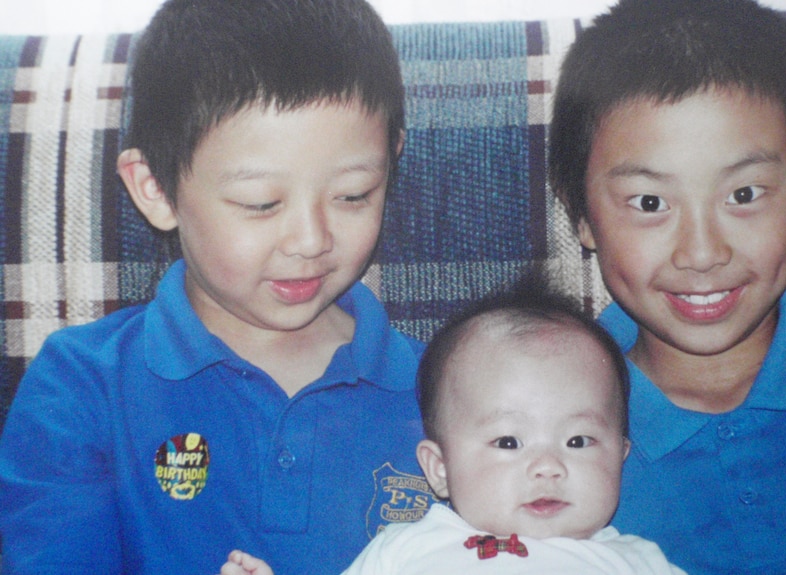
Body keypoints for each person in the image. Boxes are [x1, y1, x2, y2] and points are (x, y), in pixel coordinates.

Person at [0, 1, 437, 573]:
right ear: (155, 189)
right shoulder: (83, 385)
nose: (310, 239)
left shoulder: (452, 390)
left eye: (353, 194)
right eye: (260, 204)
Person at [548, 0, 786, 573]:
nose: (701, 253)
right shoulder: (530, 445)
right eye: (649, 203)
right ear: (582, 217)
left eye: (744, 195)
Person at [221, 281, 686, 574]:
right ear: (439, 468)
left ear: (620, 455)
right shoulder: (406, 549)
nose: (548, 466)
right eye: (508, 441)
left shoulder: (636, 562)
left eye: (578, 440)